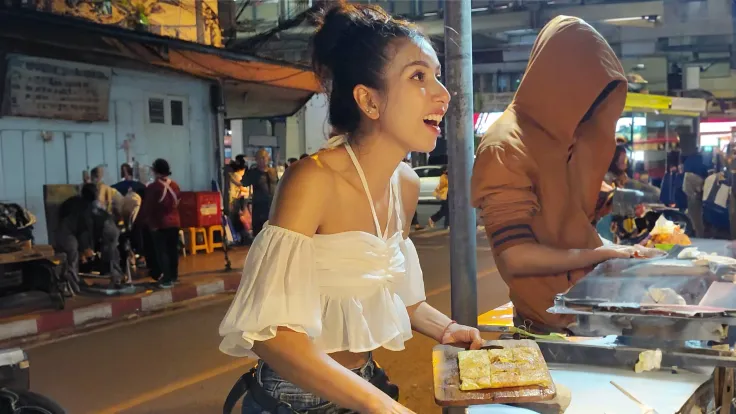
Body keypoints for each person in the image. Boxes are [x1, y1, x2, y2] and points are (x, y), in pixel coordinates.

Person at [219, 3, 482, 413]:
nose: (442, 94)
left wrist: (446, 329)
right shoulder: (313, 180)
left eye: (437, 77)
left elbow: (394, 290)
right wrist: (384, 407)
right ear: (369, 101)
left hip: (364, 385)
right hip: (293, 403)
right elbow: (271, 336)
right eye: (418, 76)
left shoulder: (405, 186)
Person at [471, 16, 660, 334]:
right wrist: (600, 253)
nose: (591, 110)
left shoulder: (567, 137)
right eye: (585, 93)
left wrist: (622, 253)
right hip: (548, 321)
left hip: (586, 307)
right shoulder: (506, 144)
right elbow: (515, 257)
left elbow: (568, 227)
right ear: (557, 81)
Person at [139, 159, 181, 289]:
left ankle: (167, 279)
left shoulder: (153, 187)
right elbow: (178, 201)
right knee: (173, 250)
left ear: (155, 170)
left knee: (162, 252)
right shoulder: (174, 185)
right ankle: (173, 276)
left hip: (159, 224)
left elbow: (148, 207)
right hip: (175, 222)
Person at [242, 149, 278, 237]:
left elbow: (278, 184)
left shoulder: (273, 171)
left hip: (272, 206)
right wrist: (246, 172)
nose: (263, 160)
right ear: (256, 160)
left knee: (273, 232)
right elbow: (244, 182)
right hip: (259, 207)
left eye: (264, 157)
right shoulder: (253, 173)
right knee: (259, 232)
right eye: (260, 158)